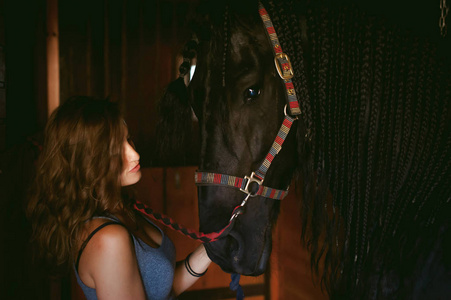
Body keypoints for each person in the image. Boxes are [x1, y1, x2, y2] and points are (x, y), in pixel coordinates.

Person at [26, 96, 211, 300]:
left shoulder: (120, 209)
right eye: (116, 150)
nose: (134, 154)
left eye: (128, 139)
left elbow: (163, 289)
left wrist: (213, 248)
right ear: (87, 162)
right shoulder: (108, 239)